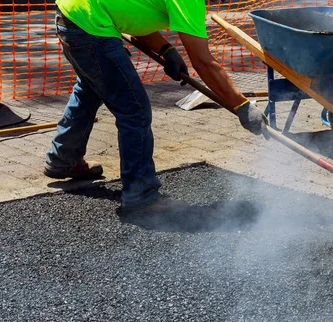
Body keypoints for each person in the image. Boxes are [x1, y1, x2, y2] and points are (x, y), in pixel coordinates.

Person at [44, 0, 268, 217]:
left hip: (72, 13)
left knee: (89, 89)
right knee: (134, 111)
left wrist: (165, 49)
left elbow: (133, 13)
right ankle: (140, 197)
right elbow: (203, 61)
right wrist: (241, 105)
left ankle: (63, 159)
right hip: (90, 25)